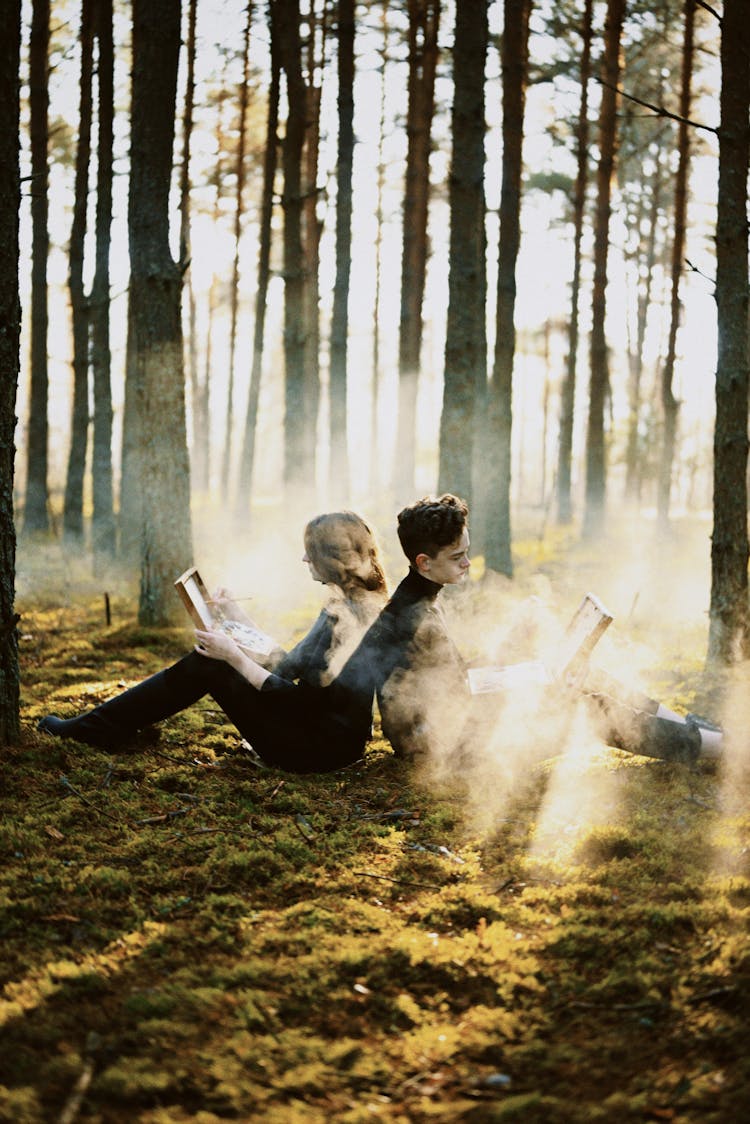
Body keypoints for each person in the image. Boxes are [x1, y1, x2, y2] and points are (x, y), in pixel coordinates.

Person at [371, 494, 723, 769]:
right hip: (444, 750)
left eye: (467, 551)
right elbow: (455, 703)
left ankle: (697, 729)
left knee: (584, 674)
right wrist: (539, 687)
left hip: (452, 726)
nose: (467, 563)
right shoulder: (417, 619)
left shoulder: (418, 595)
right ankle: (721, 748)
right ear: (424, 562)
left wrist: (516, 649)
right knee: (589, 709)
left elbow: (455, 680)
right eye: (457, 557)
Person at [38, 511, 389, 773]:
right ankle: (101, 728)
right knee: (212, 661)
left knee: (209, 664)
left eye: (309, 551)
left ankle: (89, 731)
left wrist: (235, 658)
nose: (303, 559)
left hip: (316, 752)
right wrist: (239, 619)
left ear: (332, 558)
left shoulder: (353, 616)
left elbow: (301, 702)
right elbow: (290, 664)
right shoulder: (347, 603)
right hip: (324, 740)